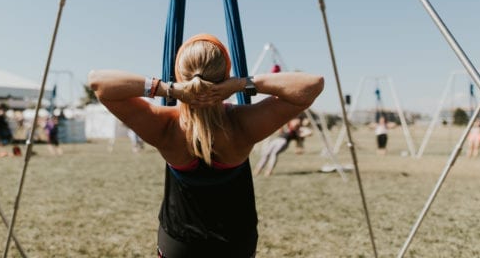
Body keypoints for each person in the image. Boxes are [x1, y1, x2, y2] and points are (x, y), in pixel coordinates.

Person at [88, 33, 323, 258]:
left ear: (181, 77)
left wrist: (167, 88)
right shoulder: (242, 125)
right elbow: (312, 85)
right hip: (235, 242)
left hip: (180, 243)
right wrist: (242, 84)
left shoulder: (165, 126)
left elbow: (98, 82)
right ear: (226, 76)